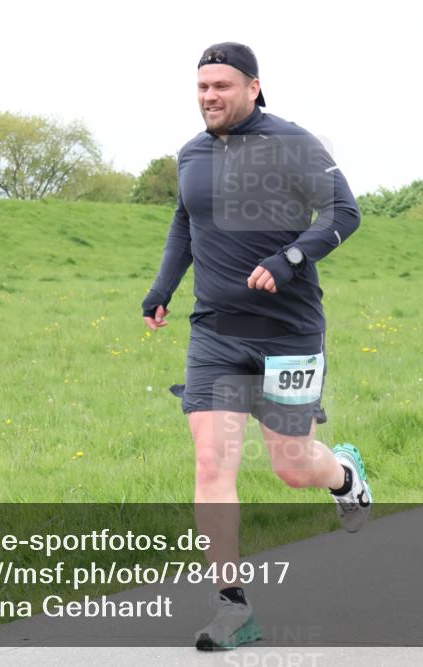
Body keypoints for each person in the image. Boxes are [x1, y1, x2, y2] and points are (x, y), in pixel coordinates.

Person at [142, 42, 372, 651]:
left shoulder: (294, 143)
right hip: (215, 332)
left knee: (293, 466)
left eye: (221, 86)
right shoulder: (191, 153)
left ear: (253, 86)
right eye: (201, 87)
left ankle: (344, 474)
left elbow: (344, 213)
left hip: (288, 334)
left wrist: (290, 258)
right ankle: (232, 607)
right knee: (213, 464)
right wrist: (163, 287)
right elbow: (185, 221)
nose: (209, 97)